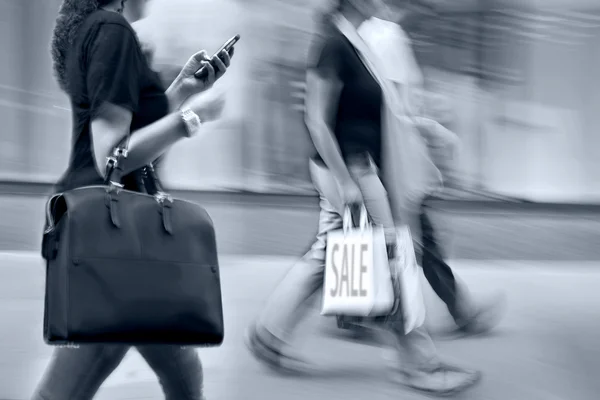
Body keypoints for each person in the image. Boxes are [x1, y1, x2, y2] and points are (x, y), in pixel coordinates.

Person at [245, 0, 481, 396]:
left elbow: (372, 114)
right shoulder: (332, 45)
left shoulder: (356, 45)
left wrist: (427, 129)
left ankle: (268, 334)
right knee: (392, 260)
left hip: (361, 168)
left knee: (326, 256)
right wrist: (346, 181)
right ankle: (419, 364)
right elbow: (316, 119)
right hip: (352, 171)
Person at [32, 0, 231, 398]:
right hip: (110, 235)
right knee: (94, 372)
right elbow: (113, 156)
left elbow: (127, 129)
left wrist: (182, 91)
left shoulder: (93, 28)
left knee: (180, 369)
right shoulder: (112, 30)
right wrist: (192, 119)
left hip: (112, 226)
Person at [356, 0, 505, 334]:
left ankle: (356, 315)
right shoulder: (388, 36)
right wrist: (433, 130)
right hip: (393, 159)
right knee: (421, 237)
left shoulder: (365, 32)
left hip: (374, 155)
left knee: (385, 234)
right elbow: (390, 107)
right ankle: (460, 311)